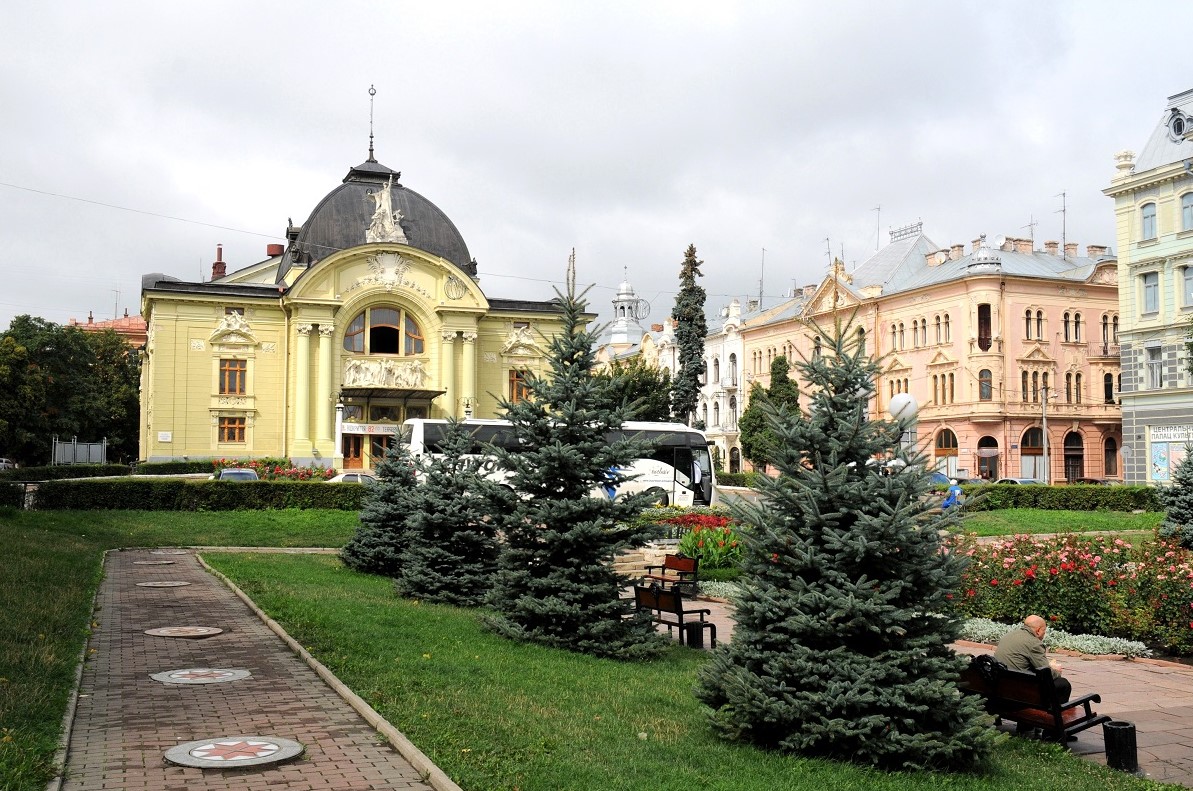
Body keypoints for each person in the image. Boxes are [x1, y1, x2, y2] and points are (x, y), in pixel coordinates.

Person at [994, 615, 1072, 704]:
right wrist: (1056, 672)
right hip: (1019, 691)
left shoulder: (1008, 636)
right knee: (1063, 684)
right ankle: (1054, 712)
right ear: (1038, 630)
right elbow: (1046, 674)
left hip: (1000, 685)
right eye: (1044, 631)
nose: (1044, 634)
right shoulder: (1034, 643)